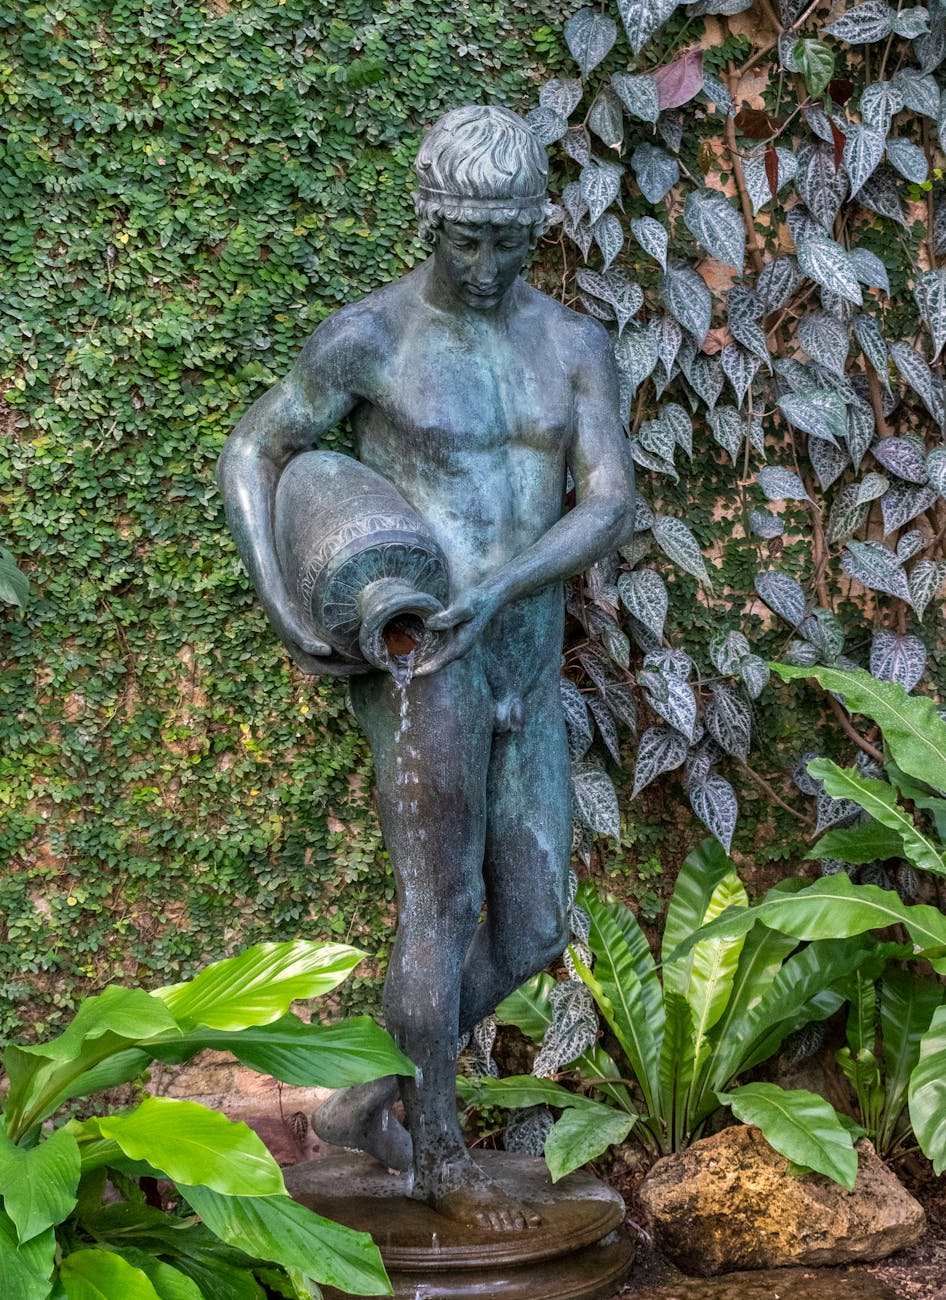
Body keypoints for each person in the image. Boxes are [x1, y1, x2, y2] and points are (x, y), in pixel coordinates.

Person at [217, 104, 635, 1232]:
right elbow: (257, 446)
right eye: (465, 240)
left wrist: (500, 588)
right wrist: (284, 599)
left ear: (537, 225)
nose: (487, 265)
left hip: (522, 655)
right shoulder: (370, 338)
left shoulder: (574, 347)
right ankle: (436, 1158)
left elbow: (609, 501)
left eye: (508, 241)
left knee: (536, 925)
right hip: (418, 664)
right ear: (430, 221)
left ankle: (366, 1096)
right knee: (440, 905)